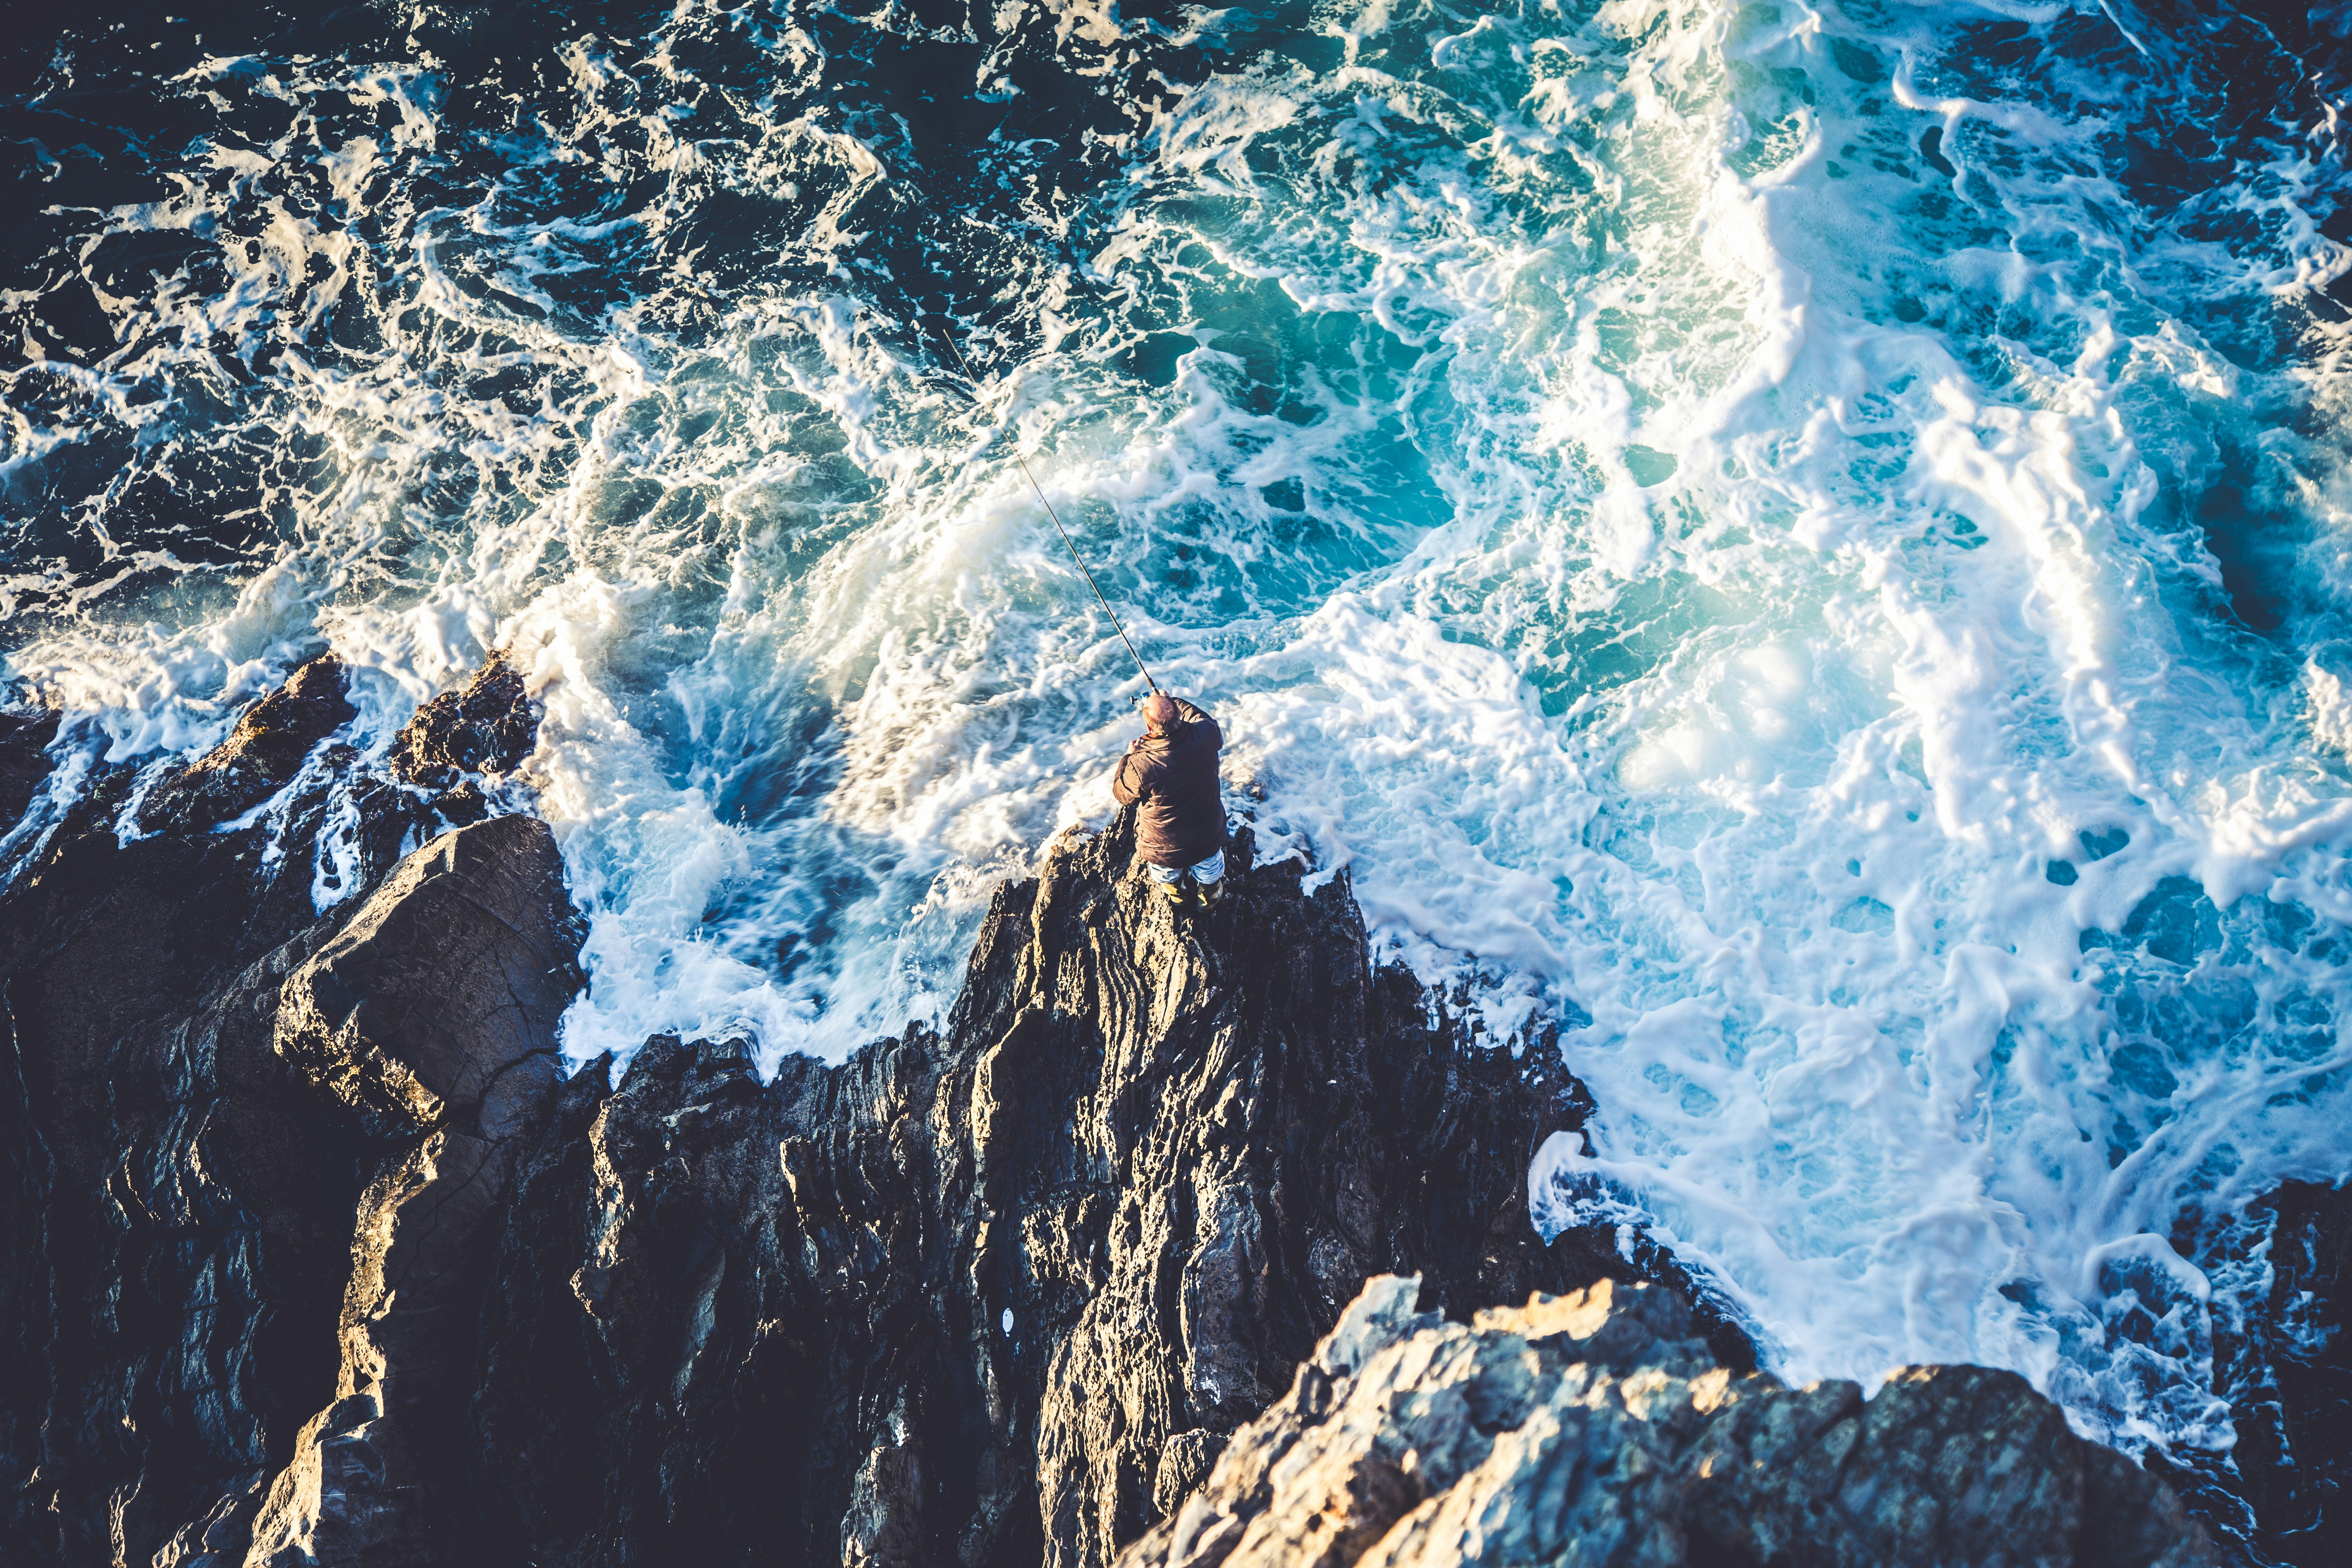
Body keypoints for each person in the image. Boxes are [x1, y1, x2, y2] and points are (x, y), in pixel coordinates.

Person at [1111, 690, 1227, 908]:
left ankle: (1178, 898)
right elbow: (1204, 719)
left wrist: (1128, 757)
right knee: (1210, 876)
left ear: (1148, 728)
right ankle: (1208, 903)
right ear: (1179, 716)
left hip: (1164, 849)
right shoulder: (1207, 735)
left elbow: (1122, 795)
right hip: (1208, 837)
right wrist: (1171, 701)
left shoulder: (1140, 765)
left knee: (1168, 877)